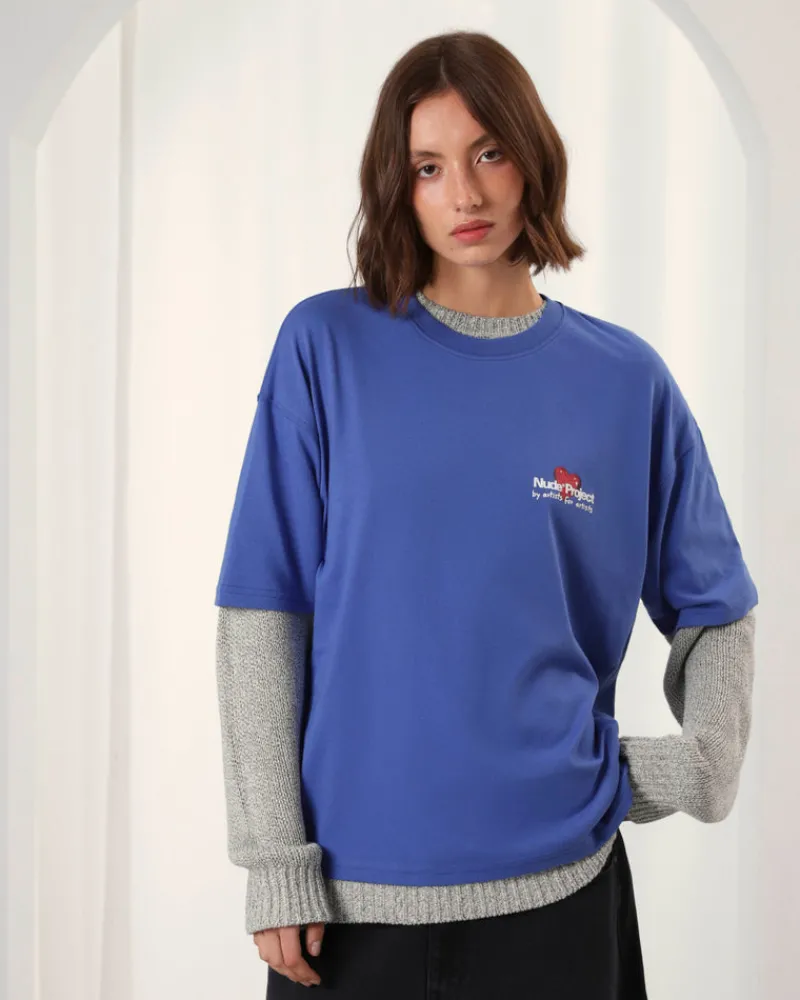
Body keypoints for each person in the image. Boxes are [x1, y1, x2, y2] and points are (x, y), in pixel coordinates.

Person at [213, 30, 758, 998]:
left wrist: (704, 764)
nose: (463, 195)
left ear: (531, 156)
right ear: (398, 185)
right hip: (348, 909)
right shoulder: (324, 348)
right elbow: (264, 613)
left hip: (560, 899)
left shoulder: (623, 381)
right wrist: (273, 859)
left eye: (488, 153)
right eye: (428, 167)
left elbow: (714, 604)